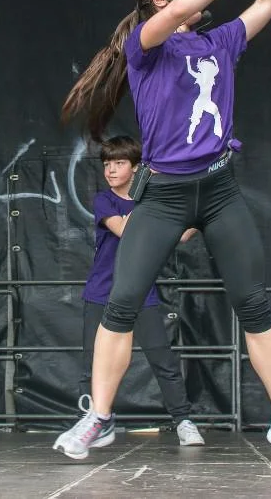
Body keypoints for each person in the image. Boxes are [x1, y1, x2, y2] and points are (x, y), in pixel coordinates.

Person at [55, 0, 271, 462]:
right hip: (164, 195)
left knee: (254, 303)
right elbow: (183, 11)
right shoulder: (147, 45)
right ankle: (99, 417)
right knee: (122, 303)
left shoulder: (220, 43)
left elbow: (268, 2)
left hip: (219, 191)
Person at [79, 135, 203, 446]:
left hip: (140, 293)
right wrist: (147, 200)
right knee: (93, 361)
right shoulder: (105, 200)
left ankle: (184, 421)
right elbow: (124, 230)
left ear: (135, 168)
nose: (111, 170)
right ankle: (94, 421)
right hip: (102, 293)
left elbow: (182, 234)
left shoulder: (152, 202)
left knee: (163, 360)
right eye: (107, 164)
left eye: (119, 163)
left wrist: (196, 217)